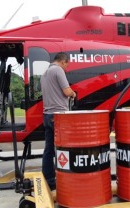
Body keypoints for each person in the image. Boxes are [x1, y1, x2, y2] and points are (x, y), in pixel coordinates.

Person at [40, 52, 76, 191]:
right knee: (64, 148)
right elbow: (67, 91)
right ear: (63, 61)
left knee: (49, 149)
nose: (66, 68)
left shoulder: (45, 73)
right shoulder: (58, 70)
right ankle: (66, 177)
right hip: (59, 116)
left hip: (47, 115)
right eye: (67, 65)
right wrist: (74, 94)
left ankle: (49, 179)